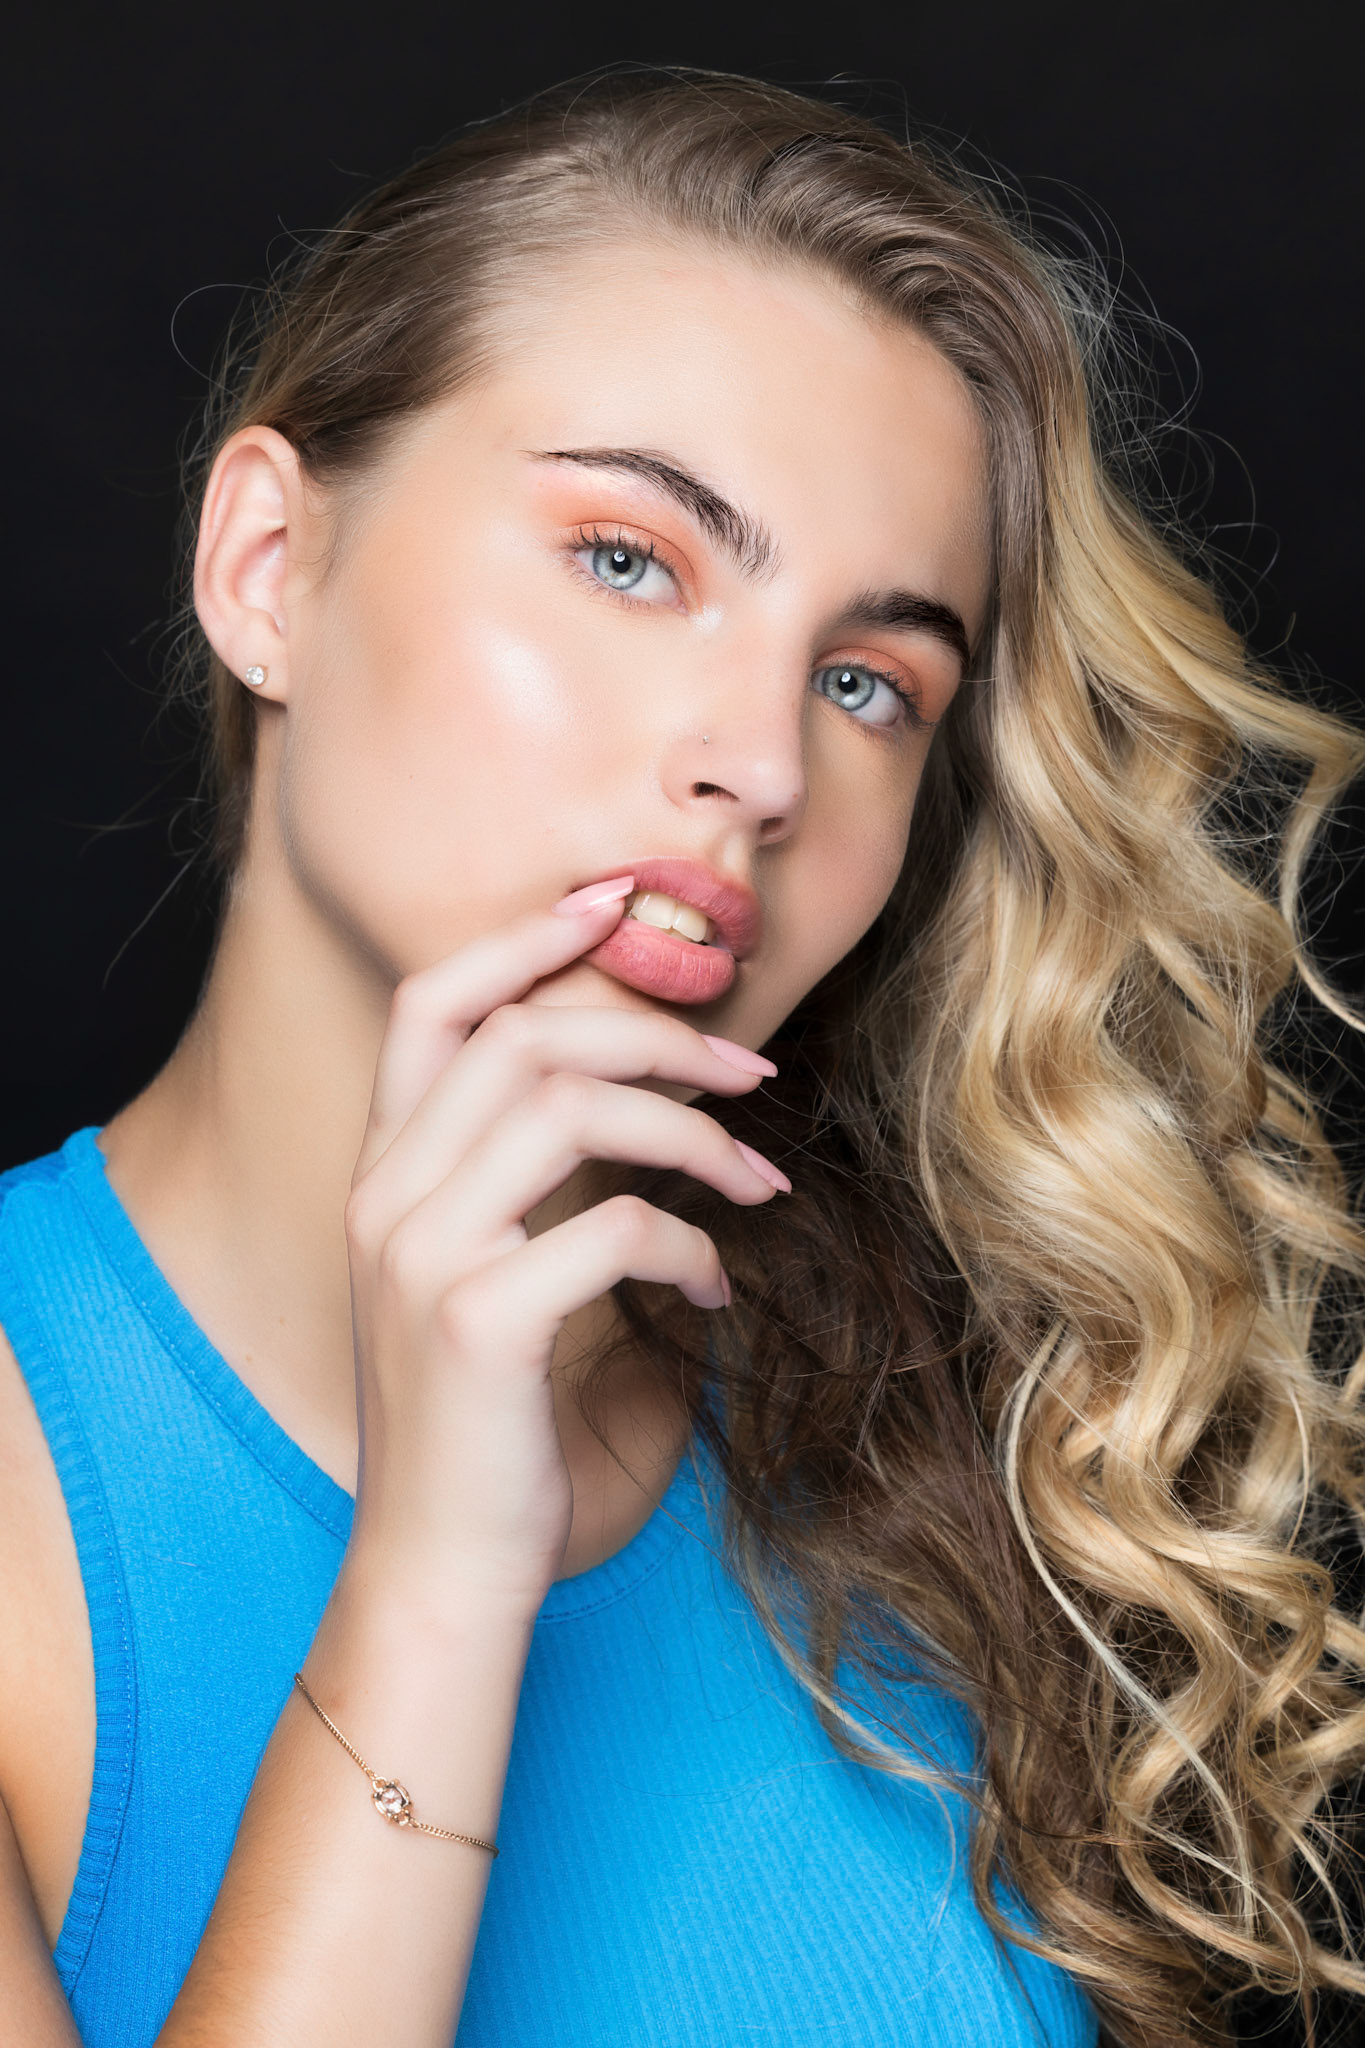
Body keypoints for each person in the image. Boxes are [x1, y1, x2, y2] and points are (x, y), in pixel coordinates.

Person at [1, 62, 1362, 2048]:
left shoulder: (951, 1430)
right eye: (630, 559)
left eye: (865, 680)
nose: (760, 762)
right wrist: (436, 1569)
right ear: (269, 568)